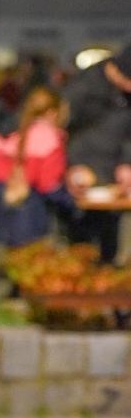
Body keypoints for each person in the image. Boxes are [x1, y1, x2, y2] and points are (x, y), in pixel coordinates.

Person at [0, 86, 72, 247]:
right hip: (33, 221)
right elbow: (50, 185)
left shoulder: (7, 134)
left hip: (5, 218)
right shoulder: (51, 140)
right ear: (53, 112)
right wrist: (71, 204)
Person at [62, 43, 131, 262]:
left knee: (109, 238)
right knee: (80, 242)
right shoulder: (83, 88)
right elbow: (59, 131)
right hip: (80, 175)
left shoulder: (125, 93)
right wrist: (71, 167)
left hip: (114, 178)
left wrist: (127, 163)